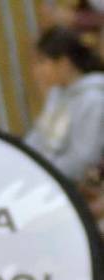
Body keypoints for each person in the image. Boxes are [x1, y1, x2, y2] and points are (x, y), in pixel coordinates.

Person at [25, 25, 104, 183]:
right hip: (46, 175)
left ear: (64, 63)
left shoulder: (95, 100)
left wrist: (40, 172)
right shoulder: (57, 95)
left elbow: (83, 159)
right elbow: (38, 137)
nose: (36, 70)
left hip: (70, 185)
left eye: (42, 62)